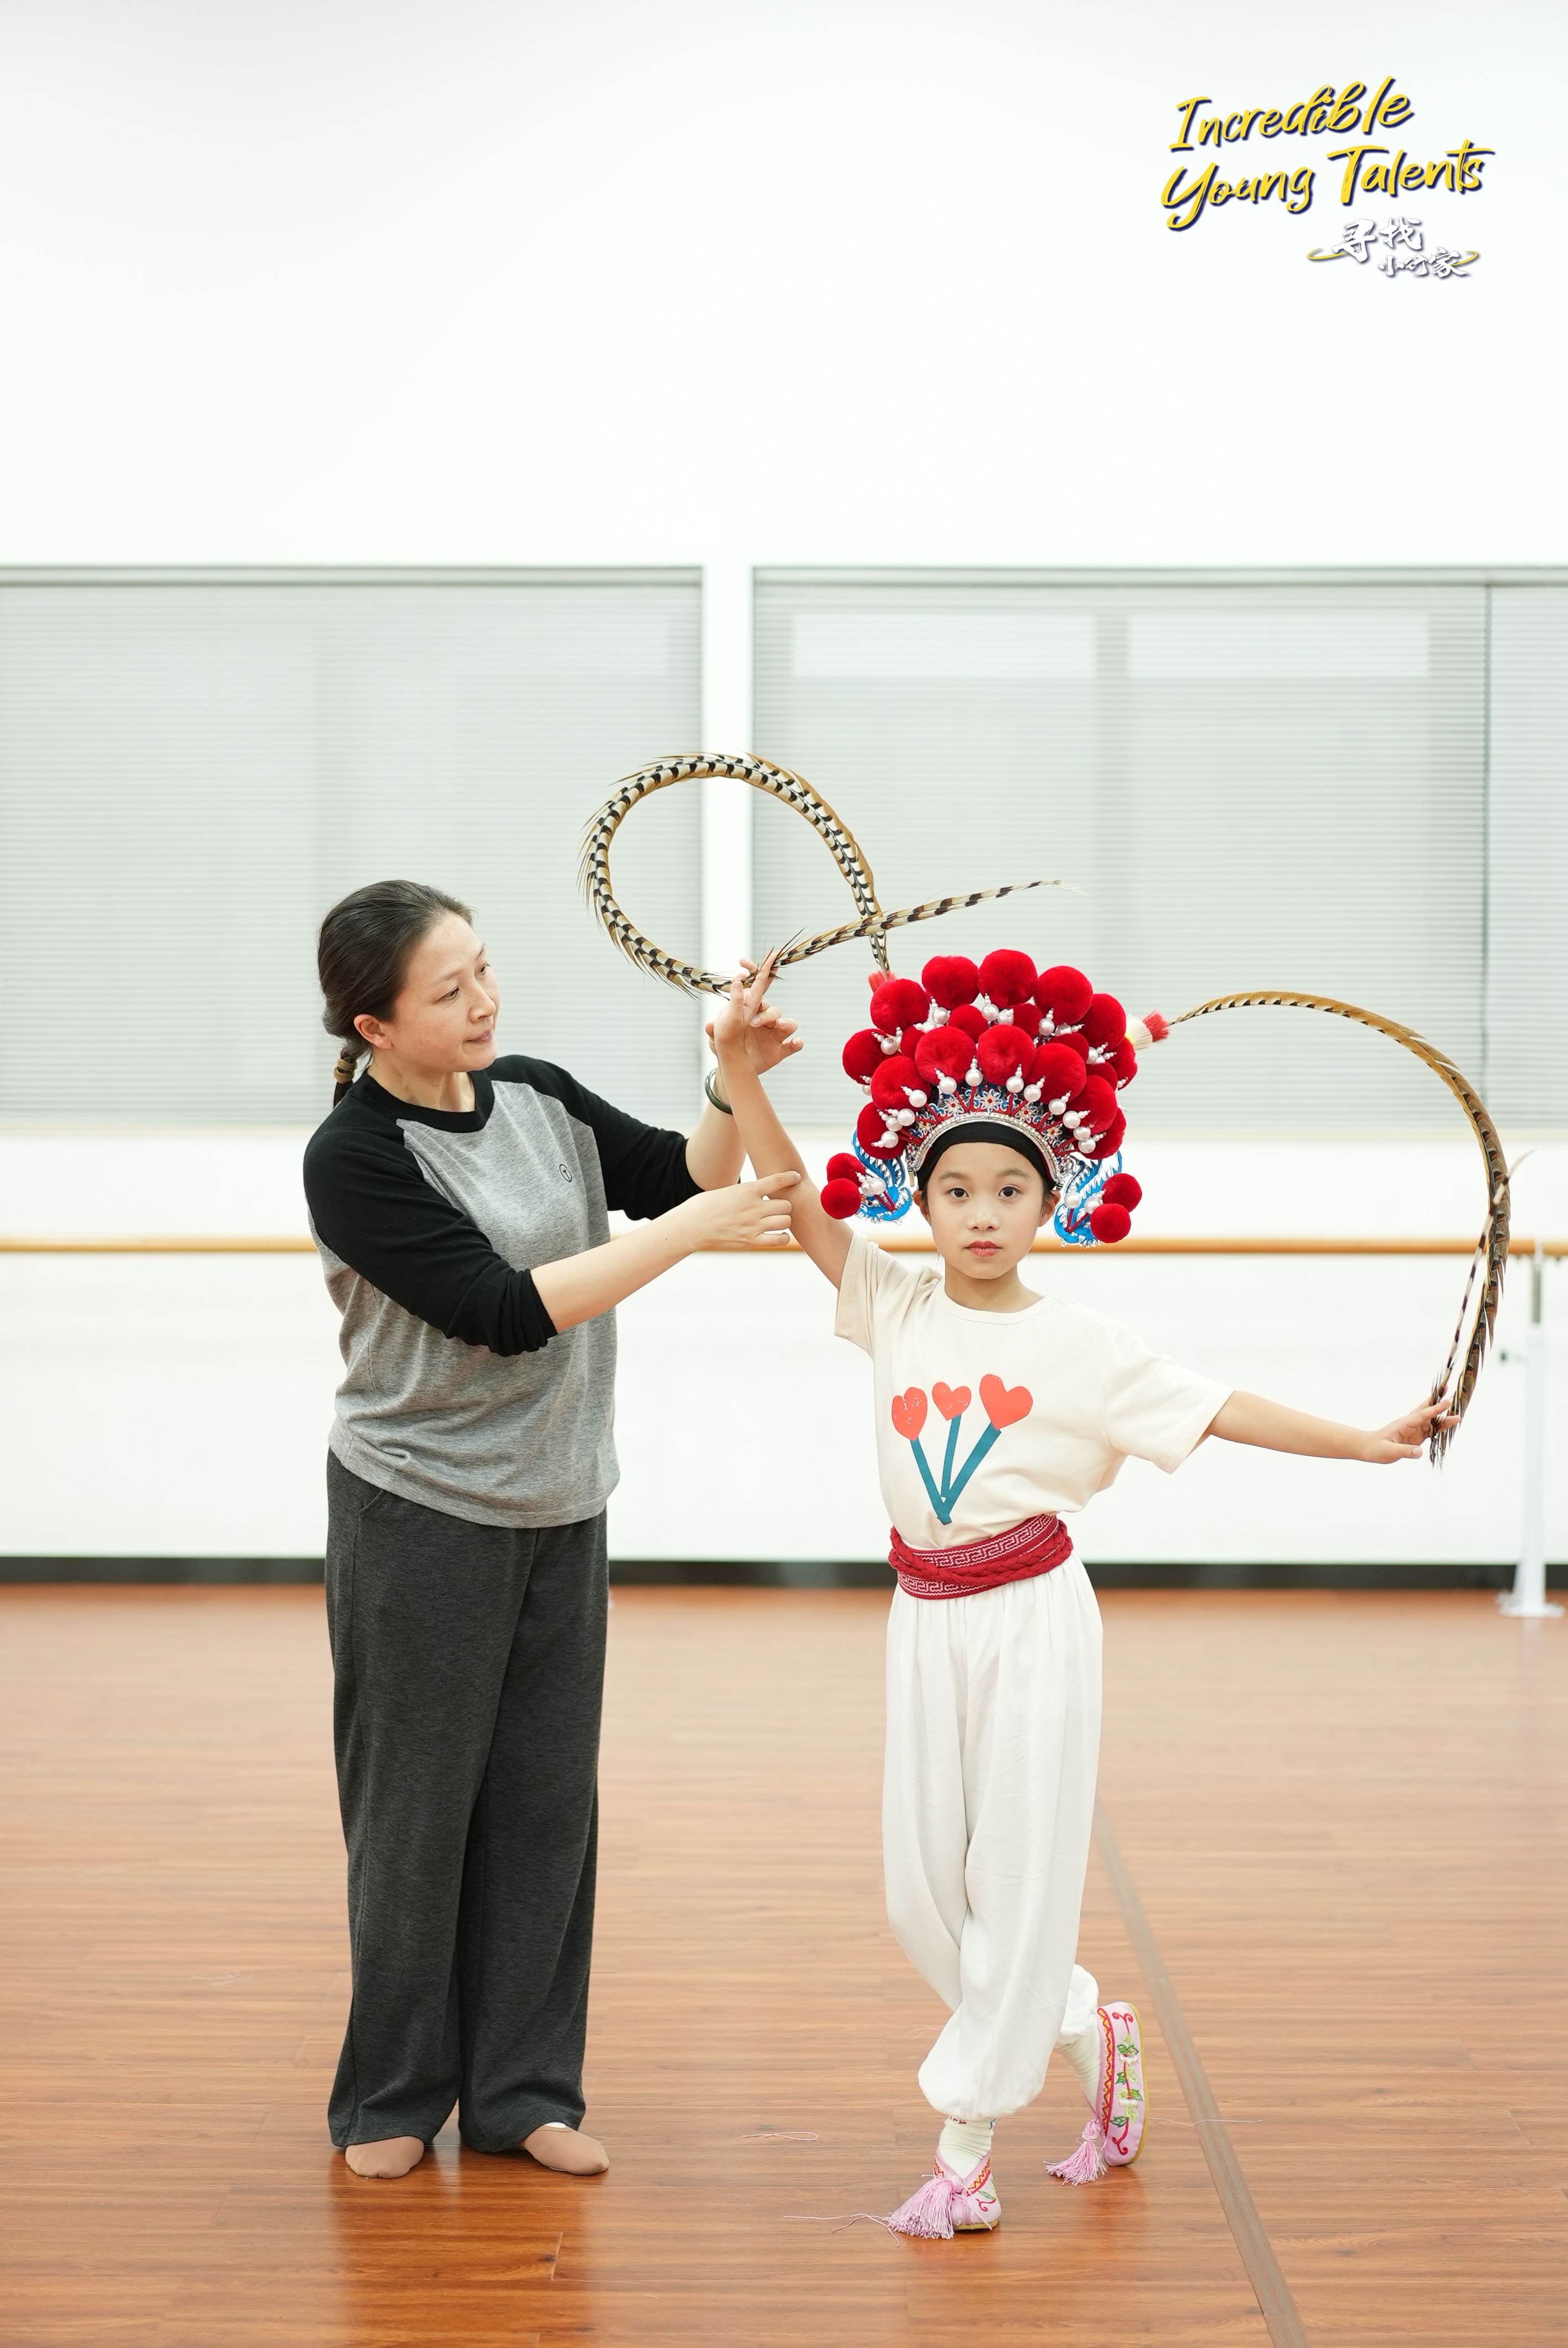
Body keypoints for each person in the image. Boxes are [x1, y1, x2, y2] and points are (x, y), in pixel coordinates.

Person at [709, 945, 1452, 2236]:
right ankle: (1079, 2022)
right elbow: (783, 1195)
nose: (982, 1210)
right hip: (923, 1616)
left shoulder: (1086, 1344)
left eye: (1009, 1187)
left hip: (1035, 1623)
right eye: (956, 1189)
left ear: (1053, 1197)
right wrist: (734, 1069)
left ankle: (968, 2147)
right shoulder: (887, 1297)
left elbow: (1223, 1410)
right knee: (918, 1890)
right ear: (921, 1200)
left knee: (1024, 1873)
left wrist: (1368, 1437)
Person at [303, 880, 801, 2181]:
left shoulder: (531, 1091)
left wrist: (728, 1072)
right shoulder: (353, 1156)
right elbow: (504, 1308)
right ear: (374, 1023)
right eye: (448, 990)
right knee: (416, 1816)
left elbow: (683, 1172)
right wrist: (692, 1237)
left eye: (484, 969)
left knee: (542, 1814)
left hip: (562, 1503)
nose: (485, 1002)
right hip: (418, 1512)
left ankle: (523, 2092)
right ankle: (391, 2098)